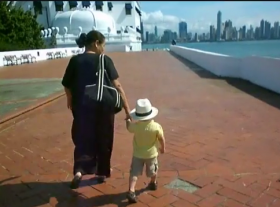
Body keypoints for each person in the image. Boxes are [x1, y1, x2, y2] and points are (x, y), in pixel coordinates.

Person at [61, 30, 131, 189]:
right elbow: (117, 85)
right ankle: (101, 172)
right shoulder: (104, 60)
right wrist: (127, 109)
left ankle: (79, 171)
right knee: (104, 138)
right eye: (103, 45)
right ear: (96, 43)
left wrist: (69, 99)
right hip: (103, 106)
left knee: (82, 138)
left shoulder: (75, 60)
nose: (104, 49)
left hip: (82, 106)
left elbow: (66, 84)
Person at [125, 98, 166, 203]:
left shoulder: (136, 126)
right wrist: (163, 148)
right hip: (151, 154)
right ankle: (153, 183)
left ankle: (131, 190)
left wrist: (128, 120)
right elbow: (161, 138)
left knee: (134, 173)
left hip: (137, 154)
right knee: (153, 170)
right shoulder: (156, 126)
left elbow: (129, 127)